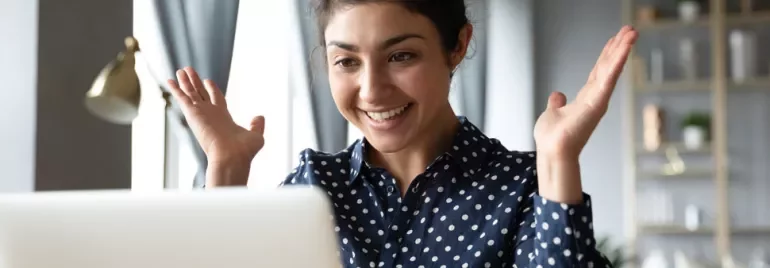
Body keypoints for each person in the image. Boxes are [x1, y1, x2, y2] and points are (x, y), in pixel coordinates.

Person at [167, 0, 638, 267]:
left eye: (400, 56)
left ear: (457, 46)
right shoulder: (312, 186)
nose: (372, 90)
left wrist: (558, 158)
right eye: (346, 61)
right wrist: (225, 170)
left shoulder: (522, 188)